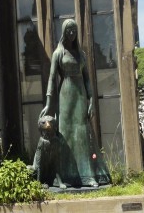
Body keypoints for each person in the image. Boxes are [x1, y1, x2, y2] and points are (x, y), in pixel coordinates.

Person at [40, 19, 109, 187]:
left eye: (74, 30)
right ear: (64, 32)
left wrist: (91, 100)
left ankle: (88, 176)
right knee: (66, 133)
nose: (72, 33)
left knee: (83, 134)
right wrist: (49, 103)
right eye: (69, 30)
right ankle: (66, 176)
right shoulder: (58, 53)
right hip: (65, 95)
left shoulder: (81, 54)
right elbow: (51, 78)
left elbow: (87, 79)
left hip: (80, 95)